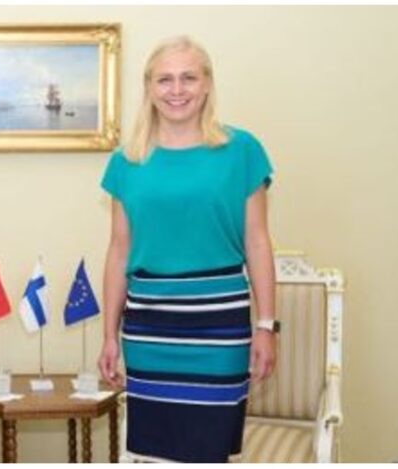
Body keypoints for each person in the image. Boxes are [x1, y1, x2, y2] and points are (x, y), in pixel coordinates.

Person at [97, 36, 279, 463]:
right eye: (164, 79)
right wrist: (108, 336)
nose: (176, 90)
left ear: (207, 83)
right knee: (155, 454)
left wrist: (266, 326)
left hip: (219, 325)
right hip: (148, 327)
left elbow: (257, 242)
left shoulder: (242, 151)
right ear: (149, 87)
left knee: (209, 450)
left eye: (188, 78)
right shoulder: (126, 161)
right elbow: (119, 251)